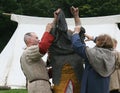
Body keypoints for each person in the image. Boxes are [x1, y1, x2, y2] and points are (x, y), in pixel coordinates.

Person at [20, 10, 60, 93]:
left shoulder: (28, 55)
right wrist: (47, 31)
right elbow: (43, 47)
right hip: (39, 86)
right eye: (36, 38)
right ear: (29, 40)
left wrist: (55, 20)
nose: (38, 40)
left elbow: (44, 72)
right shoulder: (29, 51)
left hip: (37, 85)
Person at [47, 7, 84, 93]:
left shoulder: (55, 46)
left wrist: (55, 19)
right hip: (75, 78)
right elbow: (79, 29)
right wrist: (76, 16)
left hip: (62, 80)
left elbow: (51, 32)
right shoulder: (77, 46)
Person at [71, 24, 116, 93]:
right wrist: (93, 38)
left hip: (91, 87)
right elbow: (106, 43)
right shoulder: (113, 55)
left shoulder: (93, 54)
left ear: (99, 42)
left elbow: (77, 46)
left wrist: (76, 33)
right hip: (104, 87)